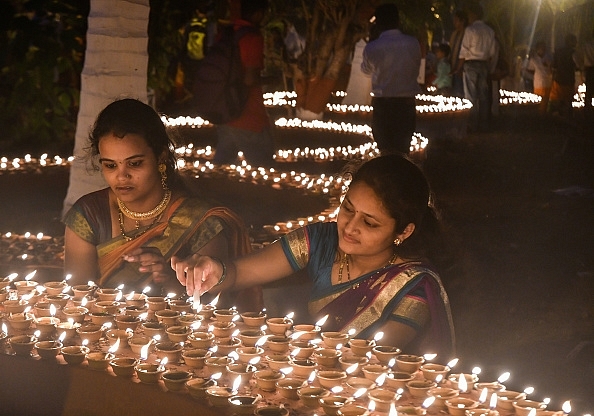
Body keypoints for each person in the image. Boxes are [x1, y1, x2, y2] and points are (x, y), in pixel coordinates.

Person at [173, 154, 456, 357]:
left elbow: (371, 358)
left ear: (403, 232)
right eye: (347, 208)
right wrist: (212, 270)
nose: (350, 227)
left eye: (369, 222)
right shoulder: (321, 240)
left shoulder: (413, 287)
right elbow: (240, 273)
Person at [63, 98, 261, 310]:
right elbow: (76, 303)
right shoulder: (88, 216)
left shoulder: (200, 221)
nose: (122, 176)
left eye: (135, 163)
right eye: (110, 166)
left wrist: (169, 279)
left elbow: (211, 311)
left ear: (160, 157)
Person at [212, 0, 274, 167]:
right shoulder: (252, 37)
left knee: (220, 171)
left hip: (224, 111)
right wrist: (270, 80)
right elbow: (250, 79)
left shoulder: (225, 34)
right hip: (248, 113)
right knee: (264, 168)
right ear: (258, 14)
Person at [361, 3, 422, 155]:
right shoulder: (412, 43)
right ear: (398, 21)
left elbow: (365, 71)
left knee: (384, 149)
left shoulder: (372, 47)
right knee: (403, 149)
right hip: (405, 103)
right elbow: (416, 65)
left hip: (383, 104)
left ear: (378, 23)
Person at [452, 3, 497, 132]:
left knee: (470, 95)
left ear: (474, 15)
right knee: (483, 95)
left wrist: (458, 68)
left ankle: (472, 124)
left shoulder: (470, 30)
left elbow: (464, 51)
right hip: (484, 64)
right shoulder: (490, 31)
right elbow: (493, 52)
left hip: (471, 64)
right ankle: (483, 124)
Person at [549, 33, 578, 118]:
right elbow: (578, 65)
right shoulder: (573, 53)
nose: (576, 42)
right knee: (568, 100)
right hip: (569, 80)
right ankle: (568, 115)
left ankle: (557, 114)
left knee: (558, 99)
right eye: (575, 41)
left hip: (559, 79)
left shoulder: (558, 52)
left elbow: (554, 66)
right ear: (570, 42)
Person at [526, 40, 553, 114]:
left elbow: (553, 68)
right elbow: (530, 69)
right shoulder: (534, 59)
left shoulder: (549, 57)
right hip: (539, 84)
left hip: (548, 83)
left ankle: (545, 116)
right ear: (537, 49)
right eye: (540, 48)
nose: (542, 49)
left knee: (546, 102)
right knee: (538, 102)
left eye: (543, 47)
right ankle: (539, 117)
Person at [449, 10, 468, 98]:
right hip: (453, 67)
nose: (454, 22)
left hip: (463, 68)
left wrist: (461, 67)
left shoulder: (467, 33)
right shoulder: (454, 34)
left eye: (456, 20)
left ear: (462, 21)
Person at [575, 28, 594, 118]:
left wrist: (580, 67)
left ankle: (587, 110)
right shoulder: (587, 45)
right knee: (589, 90)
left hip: (589, 69)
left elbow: (576, 56)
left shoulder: (586, 45)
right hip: (589, 69)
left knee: (589, 90)